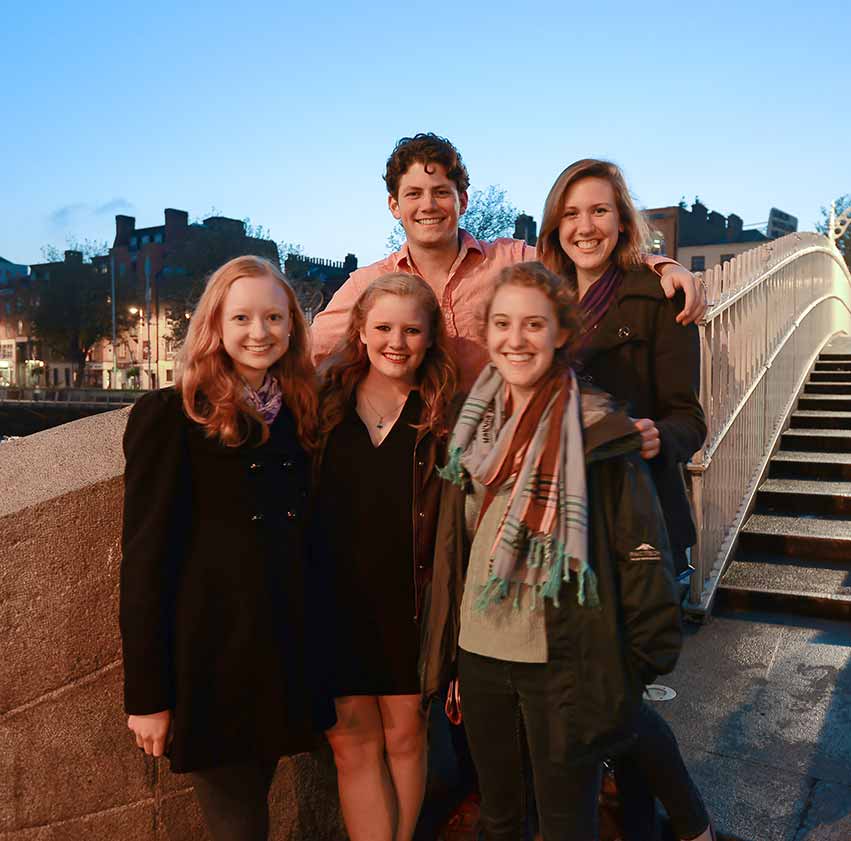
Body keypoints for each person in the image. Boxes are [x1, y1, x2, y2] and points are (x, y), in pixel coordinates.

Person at [421, 260, 683, 840]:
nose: (517, 340)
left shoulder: (599, 430)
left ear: (561, 334)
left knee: (568, 823)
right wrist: (451, 659)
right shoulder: (469, 432)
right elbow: (457, 553)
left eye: (534, 325)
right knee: (499, 817)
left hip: (562, 660)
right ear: (487, 333)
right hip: (482, 654)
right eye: (504, 324)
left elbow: (643, 556)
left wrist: (634, 669)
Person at [120, 256, 332, 841]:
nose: (259, 332)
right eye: (241, 317)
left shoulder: (298, 413)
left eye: (273, 317)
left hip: (280, 656)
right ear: (214, 323)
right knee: (237, 825)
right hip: (210, 665)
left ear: (293, 325)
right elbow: (144, 564)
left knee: (251, 812)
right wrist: (148, 697)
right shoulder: (171, 415)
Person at [537, 159, 713, 841]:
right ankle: (653, 825)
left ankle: (689, 823)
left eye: (600, 211)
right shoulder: (543, 300)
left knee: (616, 701)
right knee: (609, 702)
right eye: (572, 212)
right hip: (569, 532)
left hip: (642, 525)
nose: (586, 225)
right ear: (556, 221)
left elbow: (688, 418)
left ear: (621, 219)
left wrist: (653, 438)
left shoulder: (656, 298)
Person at [311, 133, 706, 389]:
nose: (428, 205)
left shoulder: (510, 260)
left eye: (441, 192)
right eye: (413, 194)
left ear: (462, 201)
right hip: (417, 452)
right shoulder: (370, 285)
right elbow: (308, 349)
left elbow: (582, 257)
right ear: (394, 206)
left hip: (500, 446)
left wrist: (661, 264)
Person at [314, 273, 458, 841]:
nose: (396, 341)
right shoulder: (322, 407)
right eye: (383, 327)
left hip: (412, 604)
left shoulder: (444, 414)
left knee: (405, 736)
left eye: (411, 329)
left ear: (429, 338)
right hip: (334, 605)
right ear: (361, 332)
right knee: (352, 745)